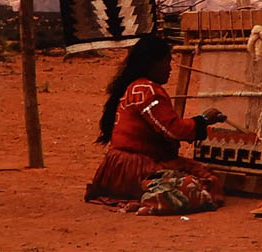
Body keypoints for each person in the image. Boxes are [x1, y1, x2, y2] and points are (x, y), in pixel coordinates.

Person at [85, 35, 226, 206]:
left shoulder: (135, 88)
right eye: (166, 62)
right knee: (206, 183)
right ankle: (150, 197)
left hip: (120, 167)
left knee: (199, 172)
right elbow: (172, 129)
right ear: (151, 64)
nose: (169, 69)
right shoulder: (146, 90)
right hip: (135, 169)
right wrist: (203, 120)